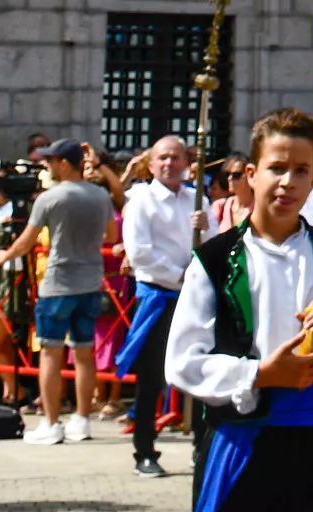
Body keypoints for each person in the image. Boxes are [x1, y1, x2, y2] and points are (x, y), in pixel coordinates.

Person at [166, 111, 313, 512]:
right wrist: (262, 374)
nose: (288, 182)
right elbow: (182, 361)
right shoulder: (215, 260)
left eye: (301, 170)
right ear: (251, 174)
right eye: (276, 168)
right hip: (243, 439)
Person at [9, 139, 113, 444]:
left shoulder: (49, 198)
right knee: (84, 352)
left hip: (58, 283)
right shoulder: (100, 195)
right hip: (91, 280)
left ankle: (52, 423)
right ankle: (81, 420)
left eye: (52, 161)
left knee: (51, 353)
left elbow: (26, 241)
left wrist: (5, 255)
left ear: (65, 163)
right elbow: (111, 234)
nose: (48, 166)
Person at [118, 135, 200, 479]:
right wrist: (179, 275)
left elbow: (208, 245)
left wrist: (205, 232)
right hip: (160, 295)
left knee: (198, 372)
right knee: (151, 378)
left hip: (194, 296)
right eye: (163, 158)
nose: (169, 164)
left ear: (186, 163)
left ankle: (202, 446)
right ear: (151, 164)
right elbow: (139, 252)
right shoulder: (141, 200)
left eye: (176, 158)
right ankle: (145, 449)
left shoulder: (196, 199)